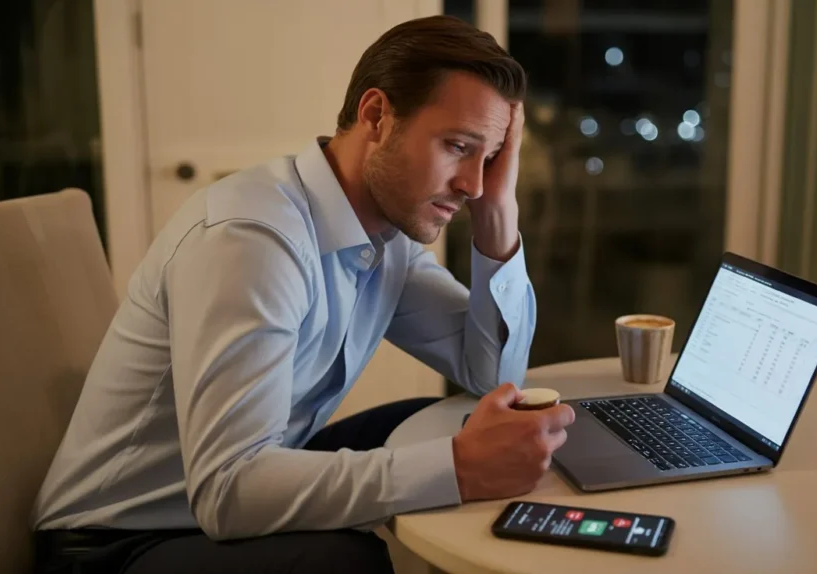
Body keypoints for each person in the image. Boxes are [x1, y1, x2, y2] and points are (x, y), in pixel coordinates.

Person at [31, 15, 576, 574]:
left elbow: (491, 378)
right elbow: (229, 490)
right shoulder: (253, 240)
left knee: (453, 421)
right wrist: (458, 468)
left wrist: (499, 217)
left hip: (234, 484)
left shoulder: (384, 236)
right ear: (376, 117)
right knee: (349, 560)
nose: (473, 184)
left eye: (487, 159)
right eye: (457, 146)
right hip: (116, 542)